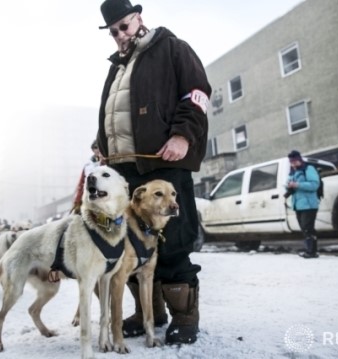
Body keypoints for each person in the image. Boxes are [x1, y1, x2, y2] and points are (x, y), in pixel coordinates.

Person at [96, 0, 212, 345]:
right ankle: (150, 312)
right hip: (122, 170)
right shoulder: (116, 67)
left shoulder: (172, 48)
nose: (120, 35)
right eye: (114, 31)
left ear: (138, 19)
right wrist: (100, 142)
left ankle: (184, 317)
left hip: (162, 163)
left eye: (124, 26)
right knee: (127, 244)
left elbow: (197, 94)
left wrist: (182, 135)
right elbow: (113, 113)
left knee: (172, 241)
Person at [286, 150, 320, 259]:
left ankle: (312, 252)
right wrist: (288, 186)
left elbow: (314, 185)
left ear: (300, 159)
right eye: (291, 162)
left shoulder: (308, 169)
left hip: (309, 205)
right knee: (304, 228)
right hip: (298, 205)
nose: (293, 163)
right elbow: (287, 184)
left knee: (307, 228)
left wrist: (297, 184)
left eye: (295, 161)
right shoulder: (292, 172)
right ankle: (310, 249)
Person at [72, 140, 103, 213]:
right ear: (93, 150)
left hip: (103, 198)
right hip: (89, 197)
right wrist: (77, 201)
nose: (97, 149)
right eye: (95, 147)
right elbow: (81, 184)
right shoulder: (87, 166)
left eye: (99, 147)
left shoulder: (107, 163)